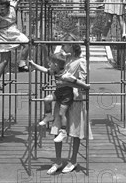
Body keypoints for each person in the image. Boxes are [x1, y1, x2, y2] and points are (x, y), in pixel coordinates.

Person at [46, 43, 92, 175]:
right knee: (57, 129)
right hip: (62, 96)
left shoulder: (81, 61)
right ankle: (58, 160)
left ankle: (73, 160)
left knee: (74, 130)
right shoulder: (64, 60)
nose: (62, 46)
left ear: (72, 46)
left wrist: (67, 80)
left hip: (75, 97)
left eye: (65, 44)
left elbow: (82, 80)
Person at [29, 50, 90, 143]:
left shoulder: (65, 75)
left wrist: (85, 86)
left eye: (50, 63)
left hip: (67, 96)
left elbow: (77, 83)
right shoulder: (55, 72)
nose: (49, 65)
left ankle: (63, 131)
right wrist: (34, 65)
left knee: (62, 113)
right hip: (58, 92)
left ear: (56, 65)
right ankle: (48, 115)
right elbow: (44, 69)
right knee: (47, 99)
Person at [0, 0, 30, 90]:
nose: (0, 11)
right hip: (3, 35)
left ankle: (22, 64)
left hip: (13, 31)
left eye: (2, 9)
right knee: (4, 60)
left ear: (8, 7)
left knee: (26, 42)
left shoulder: (12, 6)